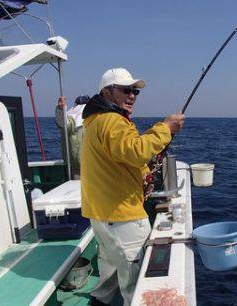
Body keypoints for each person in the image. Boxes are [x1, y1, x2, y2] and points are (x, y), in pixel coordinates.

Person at [80, 67, 185, 305]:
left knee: (110, 272)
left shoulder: (95, 121)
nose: (132, 96)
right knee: (137, 280)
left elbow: (122, 154)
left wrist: (144, 174)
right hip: (122, 216)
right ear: (107, 92)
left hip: (100, 213)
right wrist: (165, 128)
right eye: (126, 90)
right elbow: (136, 151)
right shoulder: (113, 121)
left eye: (135, 92)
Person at [55, 95, 90, 179]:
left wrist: (61, 109)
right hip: (81, 169)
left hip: (77, 167)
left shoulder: (70, 116)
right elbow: (63, 123)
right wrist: (61, 109)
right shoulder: (96, 116)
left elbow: (62, 123)